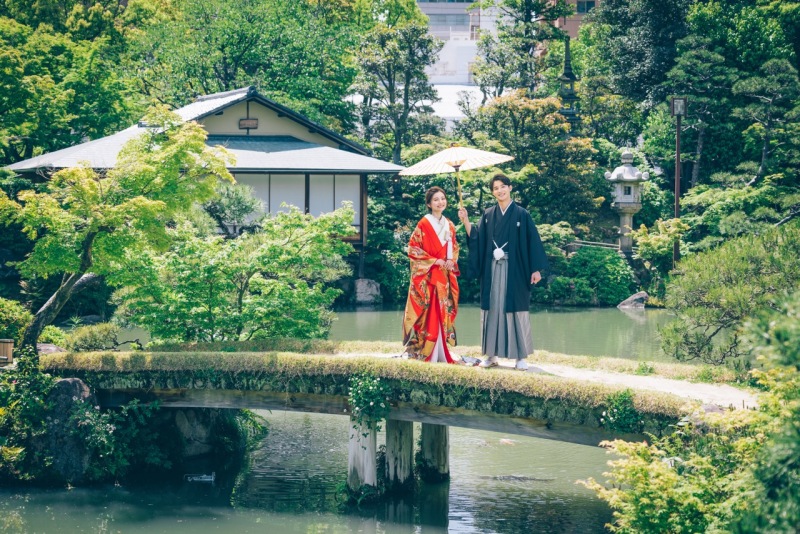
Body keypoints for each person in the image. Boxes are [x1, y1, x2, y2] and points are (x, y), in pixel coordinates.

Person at [457, 173, 548, 370]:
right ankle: (491, 355)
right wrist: (465, 221)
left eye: (502, 186)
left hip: (516, 268)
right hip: (492, 268)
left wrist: (536, 269)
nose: (499, 190)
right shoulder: (489, 214)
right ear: (492, 192)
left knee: (516, 309)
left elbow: (533, 241)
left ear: (510, 188)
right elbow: (477, 238)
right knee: (493, 310)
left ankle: (520, 357)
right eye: (495, 188)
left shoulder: (522, 214)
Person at [402, 186, 460, 363]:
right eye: (436, 199)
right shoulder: (423, 224)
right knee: (429, 311)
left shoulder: (449, 224)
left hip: (443, 275)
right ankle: (426, 349)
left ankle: (441, 349)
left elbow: (454, 247)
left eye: (442, 198)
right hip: (427, 276)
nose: (440, 202)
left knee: (442, 309)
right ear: (429, 203)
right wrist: (434, 261)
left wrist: (451, 260)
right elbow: (413, 248)